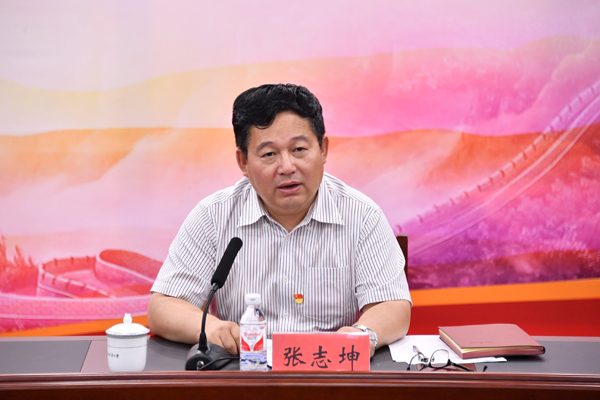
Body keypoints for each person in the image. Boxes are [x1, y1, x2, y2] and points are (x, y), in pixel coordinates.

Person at [148, 83, 411, 357]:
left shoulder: (362, 215)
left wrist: (363, 334)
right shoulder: (213, 216)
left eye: (299, 149)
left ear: (323, 149)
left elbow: (393, 305)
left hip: (327, 369)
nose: (287, 167)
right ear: (243, 162)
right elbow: (164, 306)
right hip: (245, 371)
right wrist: (211, 328)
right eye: (269, 154)